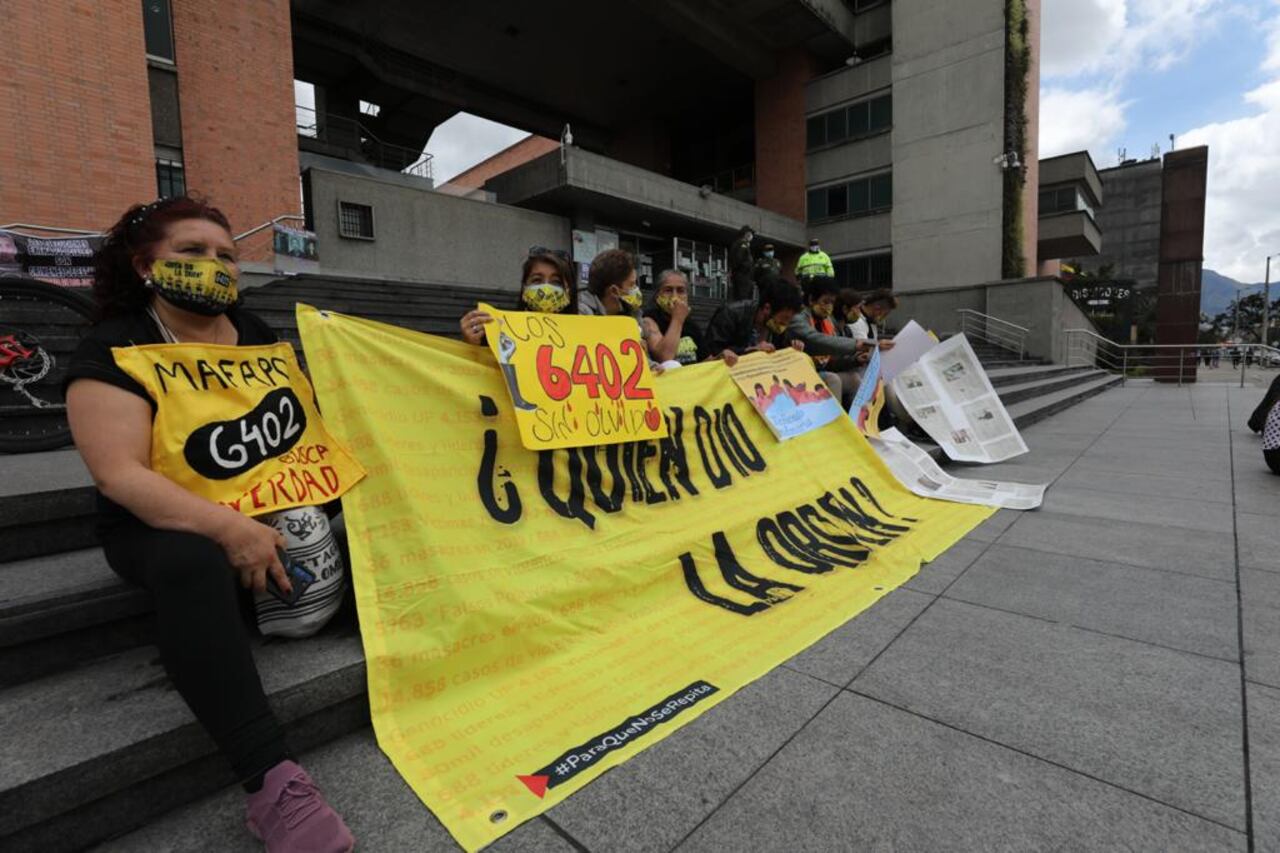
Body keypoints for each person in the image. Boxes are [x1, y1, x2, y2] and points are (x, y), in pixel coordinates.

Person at [64, 197, 355, 852]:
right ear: (144, 266)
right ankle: (272, 782)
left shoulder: (254, 331)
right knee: (192, 563)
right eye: (191, 252)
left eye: (225, 254)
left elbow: (308, 430)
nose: (214, 265)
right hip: (161, 522)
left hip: (266, 501)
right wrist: (230, 530)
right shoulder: (113, 346)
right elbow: (120, 475)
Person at [782, 275, 871, 406]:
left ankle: (857, 422)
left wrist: (855, 360)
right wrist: (856, 344)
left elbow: (830, 362)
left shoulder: (828, 322)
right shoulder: (798, 319)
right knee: (832, 379)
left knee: (854, 379)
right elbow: (819, 341)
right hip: (798, 376)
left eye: (832, 303)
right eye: (825, 302)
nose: (829, 307)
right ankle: (836, 424)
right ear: (812, 299)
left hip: (820, 373)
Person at [460, 247, 577, 345]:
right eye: (537, 280)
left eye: (556, 282)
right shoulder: (501, 334)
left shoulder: (585, 338)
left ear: (568, 290)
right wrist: (471, 345)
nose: (546, 288)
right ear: (525, 287)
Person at [641, 269, 735, 367]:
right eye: (668, 290)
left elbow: (705, 362)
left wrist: (720, 358)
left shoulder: (691, 325)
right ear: (657, 295)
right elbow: (665, 358)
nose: (675, 296)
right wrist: (677, 319)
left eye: (680, 291)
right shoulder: (649, 320)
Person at [704, 279, 805, 357]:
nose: (785, 324)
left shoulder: (777, 328)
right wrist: (750, 350)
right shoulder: (731, 314)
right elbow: (713, 350)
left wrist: (792, 348)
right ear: (767, 308)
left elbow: (782, 348)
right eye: (784, 318)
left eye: (789, 320)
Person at [577, 248, 643, 322]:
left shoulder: (631, 311)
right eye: (631, 285)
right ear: (614, 291)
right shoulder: (581, 314)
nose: (636, 289)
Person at [728, 225, 756, 301]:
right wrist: (746, 268)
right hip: (742, 276)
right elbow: (738, 259)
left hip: (741, 275)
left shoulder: (738, 244)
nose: (751, 236)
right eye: (750, 234)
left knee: (740, 298)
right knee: (743, 298)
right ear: (746, 234)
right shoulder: (742, 244)